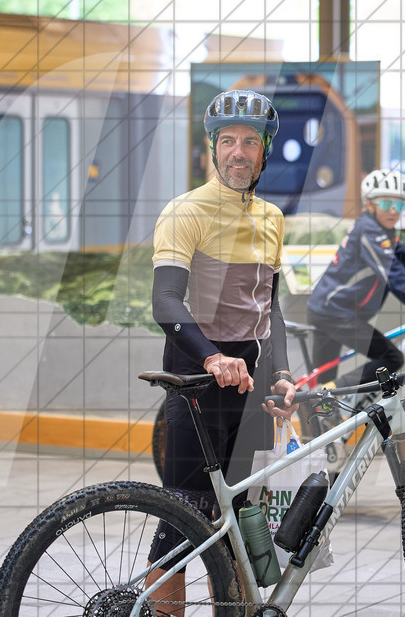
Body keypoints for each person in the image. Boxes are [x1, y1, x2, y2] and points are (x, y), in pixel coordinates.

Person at [146, 89, 297, 612]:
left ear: (264, 151)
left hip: (249, 390)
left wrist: (281, 373)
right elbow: (165, 300)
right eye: (227, 140)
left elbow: (270, 308)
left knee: (236, 525)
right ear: (212, 148)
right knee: (180, 527)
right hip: (197, 382)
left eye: (250, 142)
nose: (238, 152)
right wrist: (212, 357)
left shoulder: (272, 218)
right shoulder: (186, 210)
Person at [306, 169, 405, 390]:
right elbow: (393, 272)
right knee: (391, 358)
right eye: (386, 204)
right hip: (334, 312)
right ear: (369, 204)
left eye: (399, 205)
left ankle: (326, 396)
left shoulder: (383, 231)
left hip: (332, 309)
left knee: (322, 382)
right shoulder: (370, 231)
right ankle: (331, 392)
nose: (393, 211)